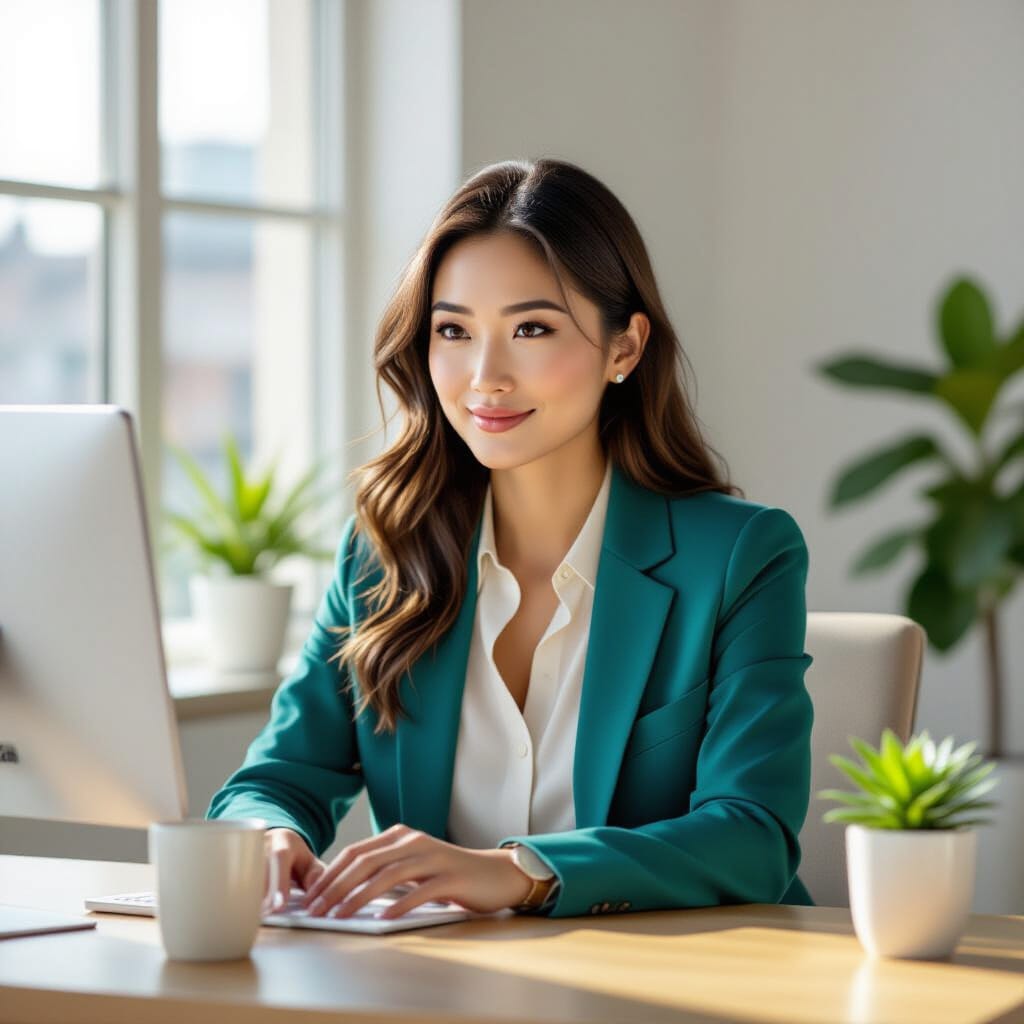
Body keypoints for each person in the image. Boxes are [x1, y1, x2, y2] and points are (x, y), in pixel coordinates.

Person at [205, 157, 816, 921]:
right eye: (453, 331)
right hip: (442, 988)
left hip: (683, 985)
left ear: (624, 348)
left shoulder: (739, 557)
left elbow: (752, 837)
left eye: (531, 328)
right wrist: (265, 833)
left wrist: (521, 872)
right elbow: (278, 776)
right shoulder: (385, 552)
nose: (483, 377)